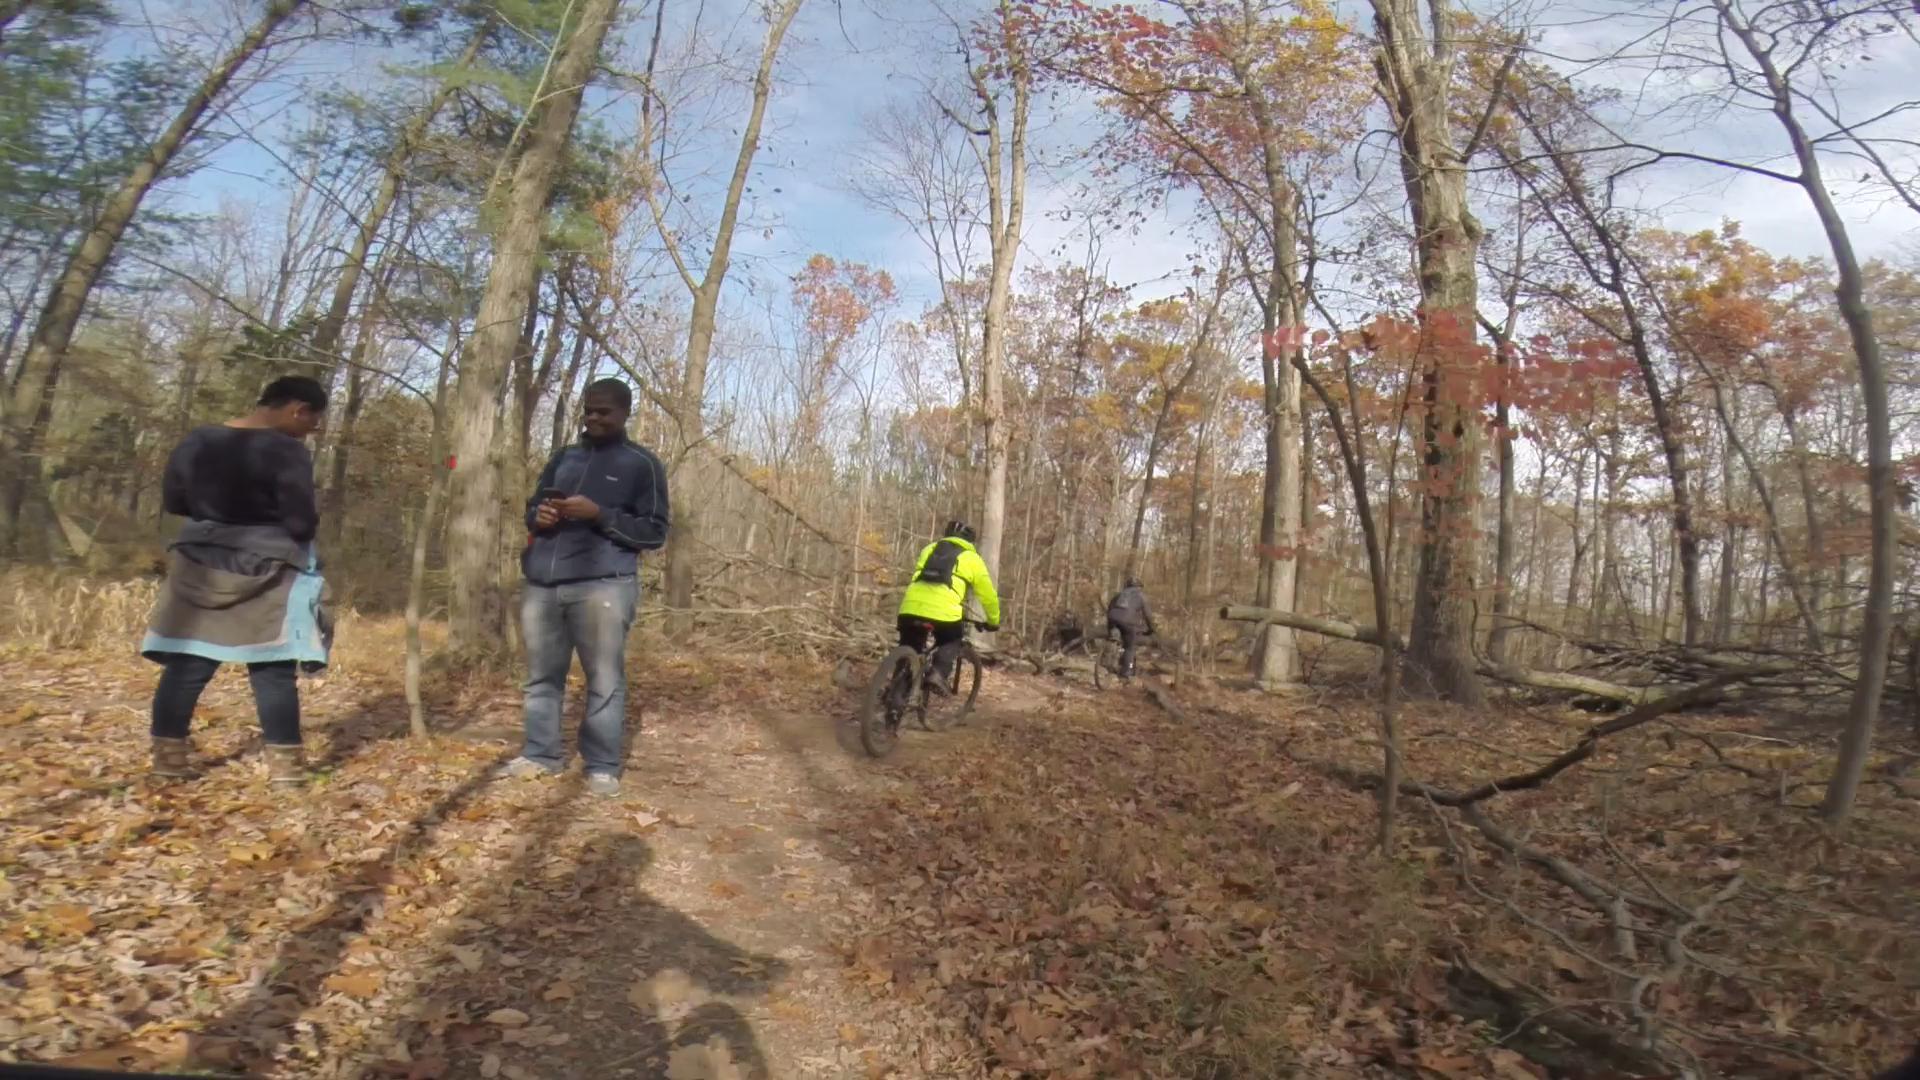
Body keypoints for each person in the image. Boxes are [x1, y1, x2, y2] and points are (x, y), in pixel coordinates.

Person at [140, 375, 331, 785]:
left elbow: (175, 501)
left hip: (199, 563)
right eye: (311, 423)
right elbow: (299, 521)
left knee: (187, 662)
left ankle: (168, 763)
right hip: (268, 569)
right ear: (298, 409)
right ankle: (287, 774)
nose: (309, 433)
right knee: (272, 667)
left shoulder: (198, 440)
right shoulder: (287, 451)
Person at [499, 378, 670, 797]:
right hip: (543, 583)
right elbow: (532, 507)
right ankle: (541, 754)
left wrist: (600, 515)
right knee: (542, 677)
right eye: (589, 410)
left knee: (604, 678)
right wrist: (537, 516)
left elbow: (654, 532)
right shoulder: (565, 458)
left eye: (603, 411)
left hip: (604, 586)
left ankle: (602, 766)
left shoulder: (641, 464)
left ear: (624, 413)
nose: (593, 417)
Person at [897, 518, 1000, 695]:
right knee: (951, 639)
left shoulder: (929, 549)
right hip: (943, 613)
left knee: (909, 648)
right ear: (970, 541)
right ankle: (938, 674)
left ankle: (894, 696)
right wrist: (993, 620)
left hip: (910, 607)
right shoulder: (972, 559)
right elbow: (988, 596)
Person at [1105, 576, 1155, 679]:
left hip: (1112, 618)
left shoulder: (1119, 595)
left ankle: (1109, 655)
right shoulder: (1141, 596)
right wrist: (1151, 629)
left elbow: (1110, 607)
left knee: (1114, 637)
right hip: (1128, 622)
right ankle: (1126, 673)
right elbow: (1148, 616)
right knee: (1130, 648)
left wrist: (1110, 625)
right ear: (1139, 587)